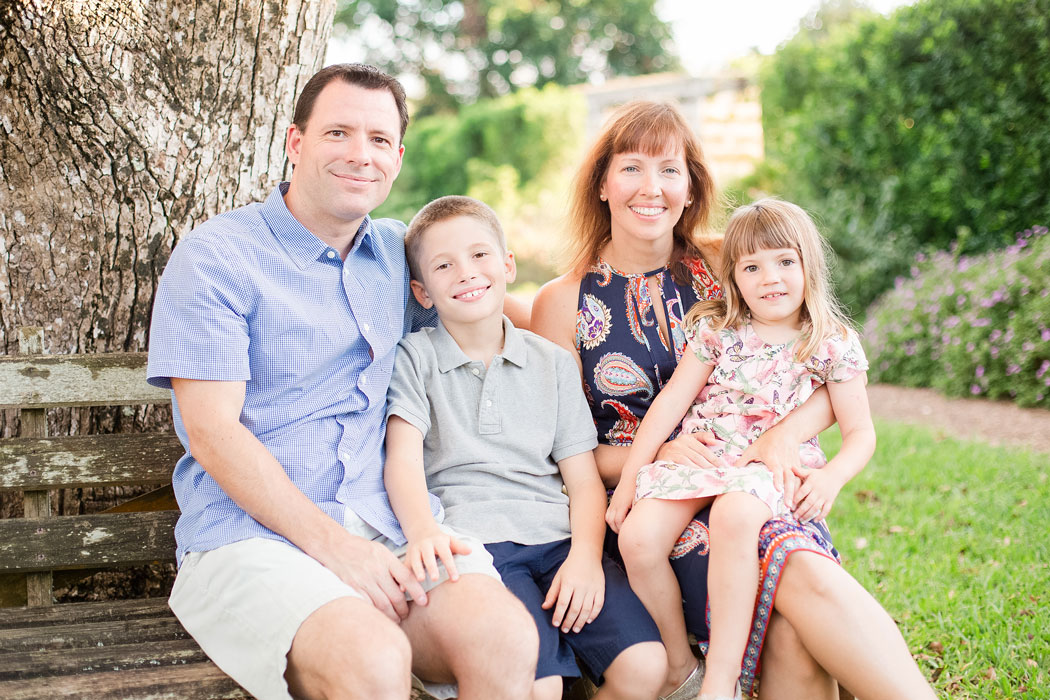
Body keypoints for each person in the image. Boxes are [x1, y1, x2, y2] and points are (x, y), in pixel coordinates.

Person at [146, 64, 538, 700]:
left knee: (505, 637)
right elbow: (212, 432)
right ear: (296, 143)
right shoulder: (218, 258)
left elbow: (487, 300)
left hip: (388, 523)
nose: (361, 155)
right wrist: (339, 550)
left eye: (379, 140)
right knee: (374, 660)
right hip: (251, 539)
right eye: (338, 133)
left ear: (398, 157)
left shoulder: (394, 250)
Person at [532, 100, 936, 700]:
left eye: (670, 169)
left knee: (790, 589)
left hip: (750, 478)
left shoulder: (729, 261)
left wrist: (780, 435)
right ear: (601, 183)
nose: (652, 187)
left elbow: (824, 365)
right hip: (645, 501)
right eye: (632, 168)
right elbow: (558, 452)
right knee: (789, 594)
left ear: (692, 186)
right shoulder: (563, 301)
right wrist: (661, 454)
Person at [384, 195, 667, 700]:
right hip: (479, 548)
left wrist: (584, 556)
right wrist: (424, 531)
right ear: (421, 292)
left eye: (479, 255)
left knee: (646, 666)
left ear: (507, 264)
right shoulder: (415, 358)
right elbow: (402, 460)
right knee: (541, 687)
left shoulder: (552, 363)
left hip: (559, 543)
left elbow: (582, 480)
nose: (466, 273)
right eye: (443, 266)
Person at [606, 198, 877, 700]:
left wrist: (831, 477)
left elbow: (861, 431)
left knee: (733, 517)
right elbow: (668, 405)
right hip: (704, 457)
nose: (770, 278)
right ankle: (680, 665)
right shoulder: (718, 330)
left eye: (784, 262)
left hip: (764, 466)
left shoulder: (830, 342)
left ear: (808, 265)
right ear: (733, 276)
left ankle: (722, 679)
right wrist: (627, 485)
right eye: (752, 267)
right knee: (639, 540)